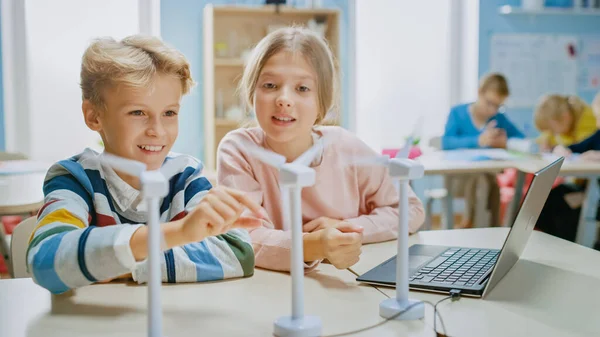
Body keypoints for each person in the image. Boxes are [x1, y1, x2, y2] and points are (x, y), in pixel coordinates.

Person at [28, 35, 265, 294]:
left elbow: (238, 252)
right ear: (94, 116)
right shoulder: (74, 178)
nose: (157, 130)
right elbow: (47, 260)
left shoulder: (185, 176)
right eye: (138, 112)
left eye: (169, 113)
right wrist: (180, 234)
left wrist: (126, 267)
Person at [217, 27, 425, 272]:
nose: (284, 99)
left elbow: (411, 210)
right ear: (252, 93)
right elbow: (243, 235)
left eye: (302, 88)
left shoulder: (346, 147)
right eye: (270, 85)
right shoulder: (239, 149)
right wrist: (313, 246)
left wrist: (345, 228)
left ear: (322, 103)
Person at [441, 73, 524, 228]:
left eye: (498, 106)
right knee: (485, 181)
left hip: (487, 177)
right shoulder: (457, 113)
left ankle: (480, 227)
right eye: (489, 103)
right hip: (458, 179)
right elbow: (446, 142)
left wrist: (506, 142)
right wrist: (478, 140)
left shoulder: (499, 118)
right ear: (480, 92)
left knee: (489, 181)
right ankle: (490, 229)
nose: (493, 110)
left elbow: (521, 139)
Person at [536, 92, 600, 245]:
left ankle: (571, 248)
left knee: (564, 208)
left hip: (594, 196)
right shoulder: (598, 134)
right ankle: (554, 248)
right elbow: (578, 147)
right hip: (589, 190)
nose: (597, 123)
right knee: (549, 199)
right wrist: (562, 149)